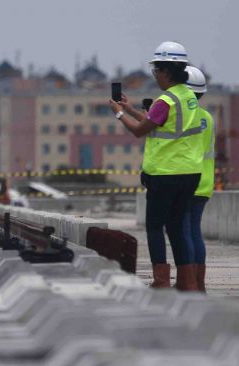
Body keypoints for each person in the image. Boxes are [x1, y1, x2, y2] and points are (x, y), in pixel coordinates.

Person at [108, 41, 204, 291]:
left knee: (154, 227)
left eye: (155, 71)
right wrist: (130, 108)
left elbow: (140, 131)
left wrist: (119, 114)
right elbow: (158, 123)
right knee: (177, 227)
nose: (155, 76)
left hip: (164, 174)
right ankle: (187, 282)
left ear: (164, 71)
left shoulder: (166, 100)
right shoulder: (188, 98)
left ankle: (161, 281)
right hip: (190, 173)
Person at [182, 66, 214, 292]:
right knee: (195, 231)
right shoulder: (207, 117)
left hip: (185, 180)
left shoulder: (184, 116)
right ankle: (198, 283)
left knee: (184, 232)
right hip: (204, 182)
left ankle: (188, 282)